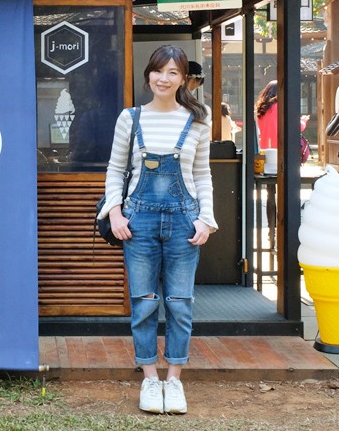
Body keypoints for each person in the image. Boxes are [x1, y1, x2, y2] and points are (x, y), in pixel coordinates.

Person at [100, 45, 215, 415]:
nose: (164, 79)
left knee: (180, 304)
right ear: (148, 74)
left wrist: (206, 219)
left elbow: (202, 174)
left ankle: (174, 381)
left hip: (185, 220)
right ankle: (150, 378)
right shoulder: (130, 118)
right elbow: (115, 170)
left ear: (183, 79)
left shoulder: (198, 119)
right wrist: (115, 214)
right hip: (139, 222)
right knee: (144, 303)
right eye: (158, 71)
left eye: (173, 73)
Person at [254, 79, 309, 150]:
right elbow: (295, 127)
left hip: (264, 147)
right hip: (282, 148)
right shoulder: (282, 107)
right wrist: (303, 121)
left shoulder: (260, 108)